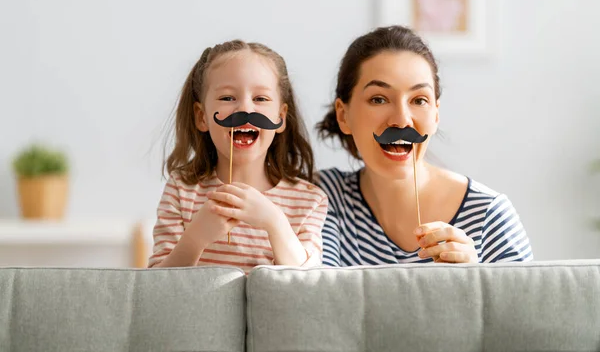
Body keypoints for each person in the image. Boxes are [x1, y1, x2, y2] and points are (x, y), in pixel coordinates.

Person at [316, 25, 533, 266]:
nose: (401, 120)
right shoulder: (320, 199)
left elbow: (523, 304)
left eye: (419, 100)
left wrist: (477, 280)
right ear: (343, 115)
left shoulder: (489, 216)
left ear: (436, 115)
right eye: (378, 99)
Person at [148, 40, 327, 272]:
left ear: (281, 117)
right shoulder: (181, 191)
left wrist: (275, 223)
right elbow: (156, 286)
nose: (245, 110)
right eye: (227, 98)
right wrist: (195, 239)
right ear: (202, 116)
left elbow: (309, 285)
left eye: (260, 99)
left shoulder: (308, 200)